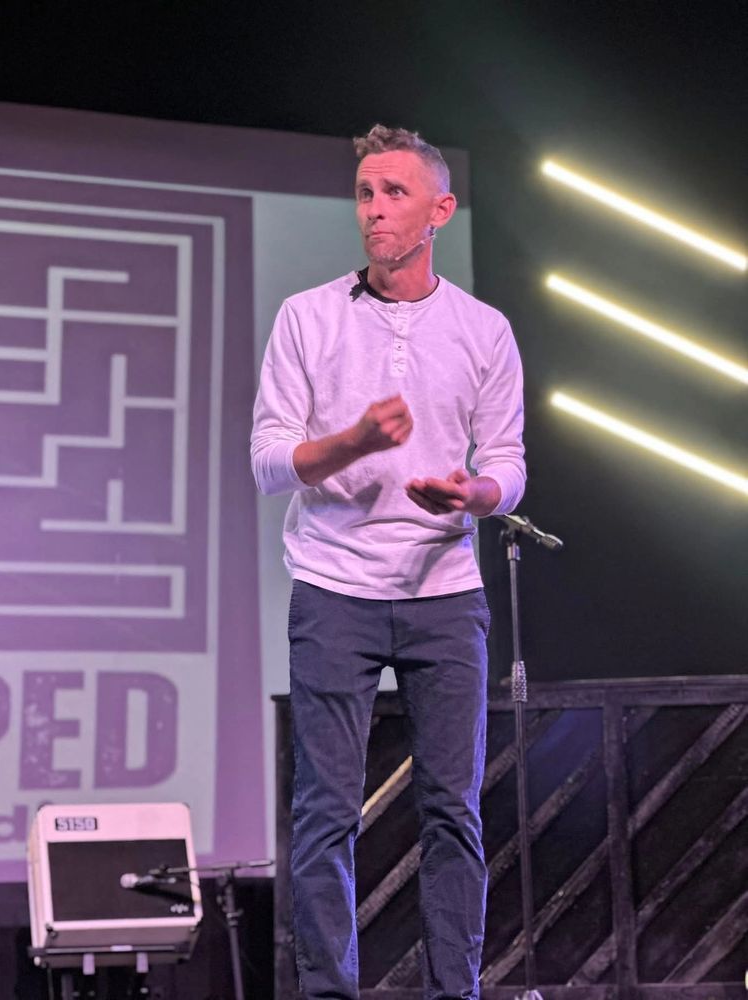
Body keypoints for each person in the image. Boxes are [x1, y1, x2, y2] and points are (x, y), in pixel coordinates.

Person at [251, 124, 526, 1000]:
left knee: (454, 813)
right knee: (324, 815)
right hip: (334, 589)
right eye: (365, 193)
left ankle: (458, 991)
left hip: (445, 591)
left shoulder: (483, 330)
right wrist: (356, 439)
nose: (373, 210)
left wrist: (474, 495)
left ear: (440, 210)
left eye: (394, 193)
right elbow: (266, 461)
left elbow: (511, 465)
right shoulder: (308, 316)